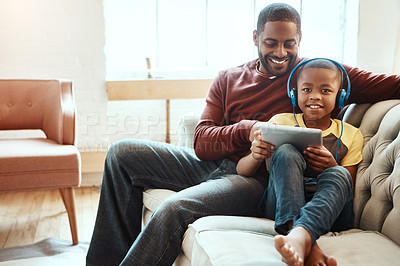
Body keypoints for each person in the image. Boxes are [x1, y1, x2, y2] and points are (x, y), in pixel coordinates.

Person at [87, 3, 400, 266]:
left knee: (175, 208)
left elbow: (391, 83)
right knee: (122, 153)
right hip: (218, 163)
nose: (281, 52)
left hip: (253, 179)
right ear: (256, 38)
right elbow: (201, 141)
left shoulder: (314, 76)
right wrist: (247, 129)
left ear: (299, 39)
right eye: (271, 43)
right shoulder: (229, 77)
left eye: (289, 44)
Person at [237, 58, 363, 265]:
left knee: (339, 173)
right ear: (295, 94)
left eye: (325, 91)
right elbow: (242, 171)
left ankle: (300, 236)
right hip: (281, 206)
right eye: (306, 89)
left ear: (340, 97)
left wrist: (331, 165)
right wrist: (254, 154)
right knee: (286, 151)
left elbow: (349, 185)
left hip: (329, 211)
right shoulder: (279, 122)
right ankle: (303, 238)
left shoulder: (351, 134)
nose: (314, 96)